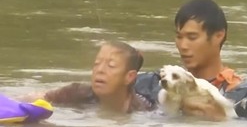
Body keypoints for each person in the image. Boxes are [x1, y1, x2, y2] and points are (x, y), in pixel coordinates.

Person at [134, 0, 247, 120]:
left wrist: (220, 119)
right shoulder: (154, 84)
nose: (183, 45)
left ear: (218, 36)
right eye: (179, 37)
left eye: (192, 37)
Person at [22, 41, 155, 114]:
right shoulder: (77, 93)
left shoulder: (143, 110)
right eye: (96, 64)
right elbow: (38, 98)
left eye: (111, 66)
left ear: (129, 77)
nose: (100, 70)